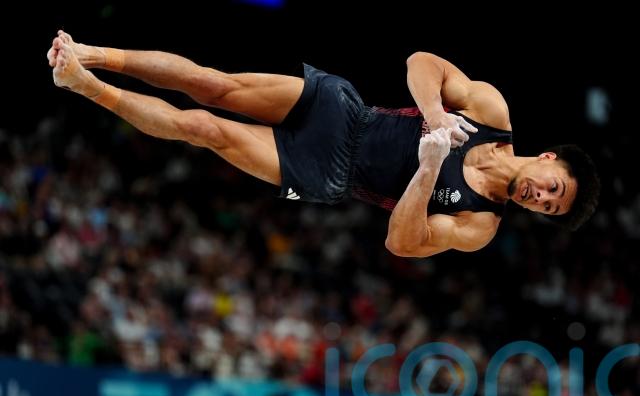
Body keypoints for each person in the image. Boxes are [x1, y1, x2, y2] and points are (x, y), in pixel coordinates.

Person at [47, 31, 600, 258]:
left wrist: (430, 167)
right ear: (548, 159)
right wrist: (435, 117)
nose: (541, 198)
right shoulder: (492, 113)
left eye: (548, 208)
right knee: (212, 84)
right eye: (554, 188)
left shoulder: (480, 225)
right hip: (345, 113)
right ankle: (91, 54)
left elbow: (401, 243)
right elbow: (421, 62)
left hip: (330, 173)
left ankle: (85, 85)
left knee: (205, 129)